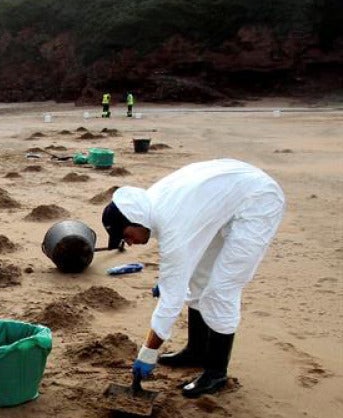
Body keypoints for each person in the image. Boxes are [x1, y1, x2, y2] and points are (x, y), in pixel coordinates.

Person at [101, 159, 285, 398]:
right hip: (227, 198)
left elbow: (171, 301)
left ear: (137, 220)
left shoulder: (171, 225)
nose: (128, 243)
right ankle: (196, 351)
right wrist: (174, 279)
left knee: (221, 289)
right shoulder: (150, 206)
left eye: (127, 235)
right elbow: (183, 264)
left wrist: (148, 352)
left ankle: (216, 372)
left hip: (258, 201)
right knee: (198, 276)